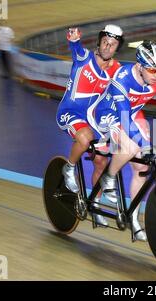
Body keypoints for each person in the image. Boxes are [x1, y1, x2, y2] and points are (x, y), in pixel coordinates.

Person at [92, 40, 156, 241]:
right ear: (140, 66)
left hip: (131, 113)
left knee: (142, 167)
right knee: (132, 146)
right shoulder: (122, 79)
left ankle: (133, 218)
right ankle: (108, 177)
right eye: (151, 70)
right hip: (108, 114)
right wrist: (144, 143)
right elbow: (123, 118)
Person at [56, 24, 124, 227]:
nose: (107, 47)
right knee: (85, 138)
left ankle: (94, 204)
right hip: (69, 113)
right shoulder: (83, 57)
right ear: (99, 41)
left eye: (112, 45)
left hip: (90, 118)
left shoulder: (116, 69)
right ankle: (68, 169)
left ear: (116, 48)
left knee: (102, 161)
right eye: (105, 42)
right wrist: (73, 36)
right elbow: (73, 44)